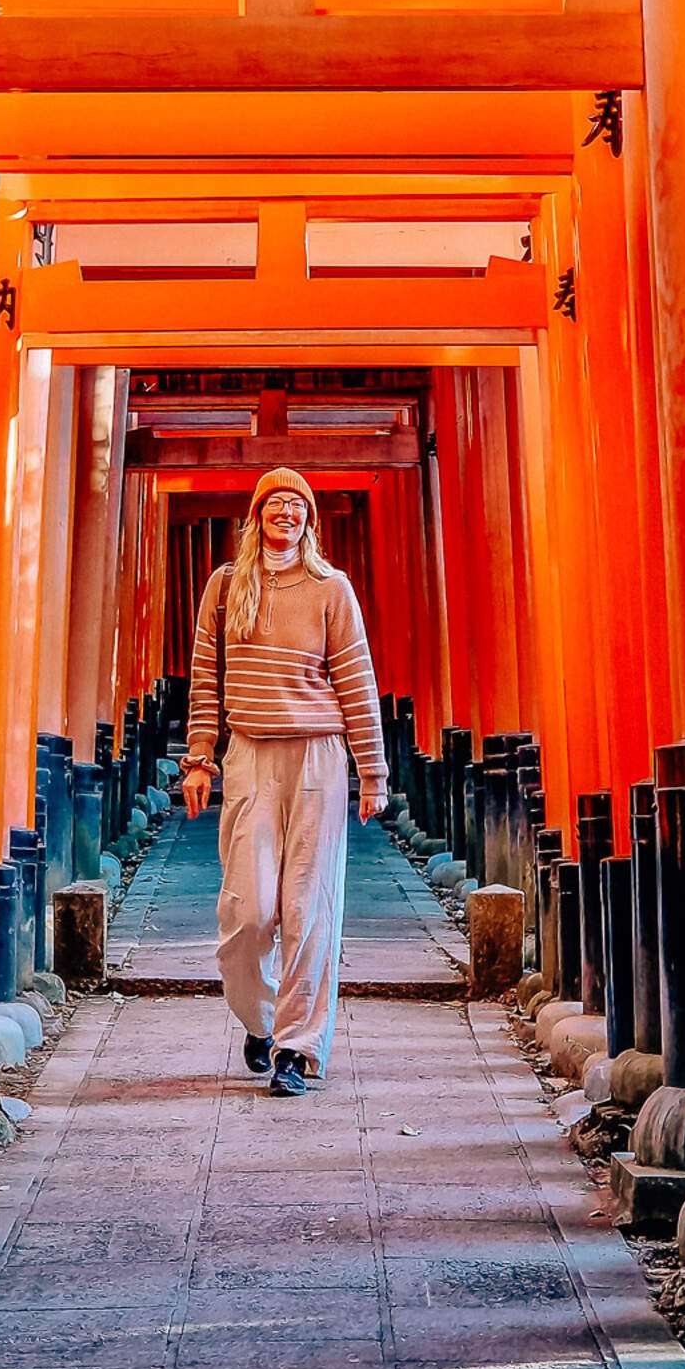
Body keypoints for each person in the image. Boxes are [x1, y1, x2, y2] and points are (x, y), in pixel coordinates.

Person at [181, 469, 390, 1097]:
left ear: (310, 519)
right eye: (275, 503)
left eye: (297, 504)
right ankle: (261, 1019)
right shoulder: (226, 587)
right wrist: (199, 757)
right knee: (248, 909)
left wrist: (371, 772)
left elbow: (356, 680)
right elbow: (204, 680)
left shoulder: (332, 589)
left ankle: (297, 1050)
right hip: (247, 752)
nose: (286, 512)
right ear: (257, 514)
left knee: (308, 907)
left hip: (318, 758)